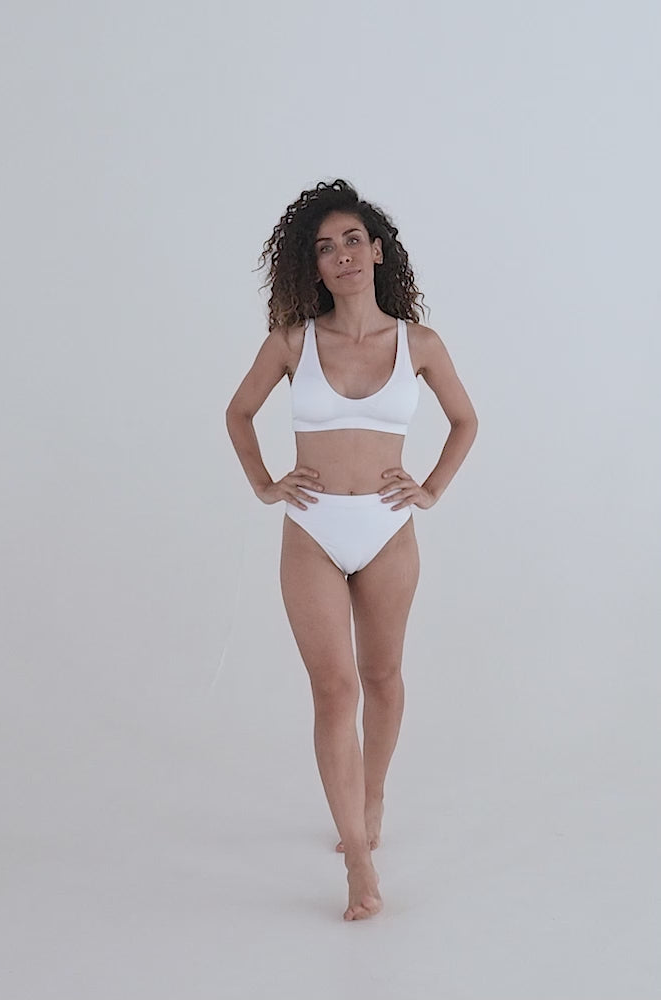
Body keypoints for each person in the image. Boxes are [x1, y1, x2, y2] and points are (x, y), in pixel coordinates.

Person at [225, 179, 478, 921]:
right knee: (335, 690)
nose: (342, 255)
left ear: (377, 250)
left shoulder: (419, 344)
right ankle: (359, 862)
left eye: (352, 241)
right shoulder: (293, 342)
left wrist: (429, 489)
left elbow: (465, 421)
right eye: (325, 247)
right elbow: (239, 412)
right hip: (312, 528)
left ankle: (373, 795)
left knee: (384, 676)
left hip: (388, 529)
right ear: (313, 266)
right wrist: (265, 483)